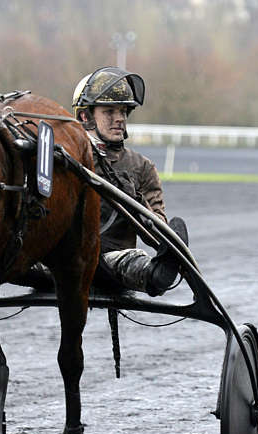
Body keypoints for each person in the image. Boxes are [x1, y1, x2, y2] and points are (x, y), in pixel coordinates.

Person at [71, 66, 188, 296]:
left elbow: (156, 234)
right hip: (64, 258)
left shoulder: (141, 167)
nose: (120, 119)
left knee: (138, 263)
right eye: (109, 111)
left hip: (112, 261)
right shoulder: (65, 157)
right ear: (85, 116)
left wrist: (134, 199)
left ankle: (158, 273)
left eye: (124, 111)